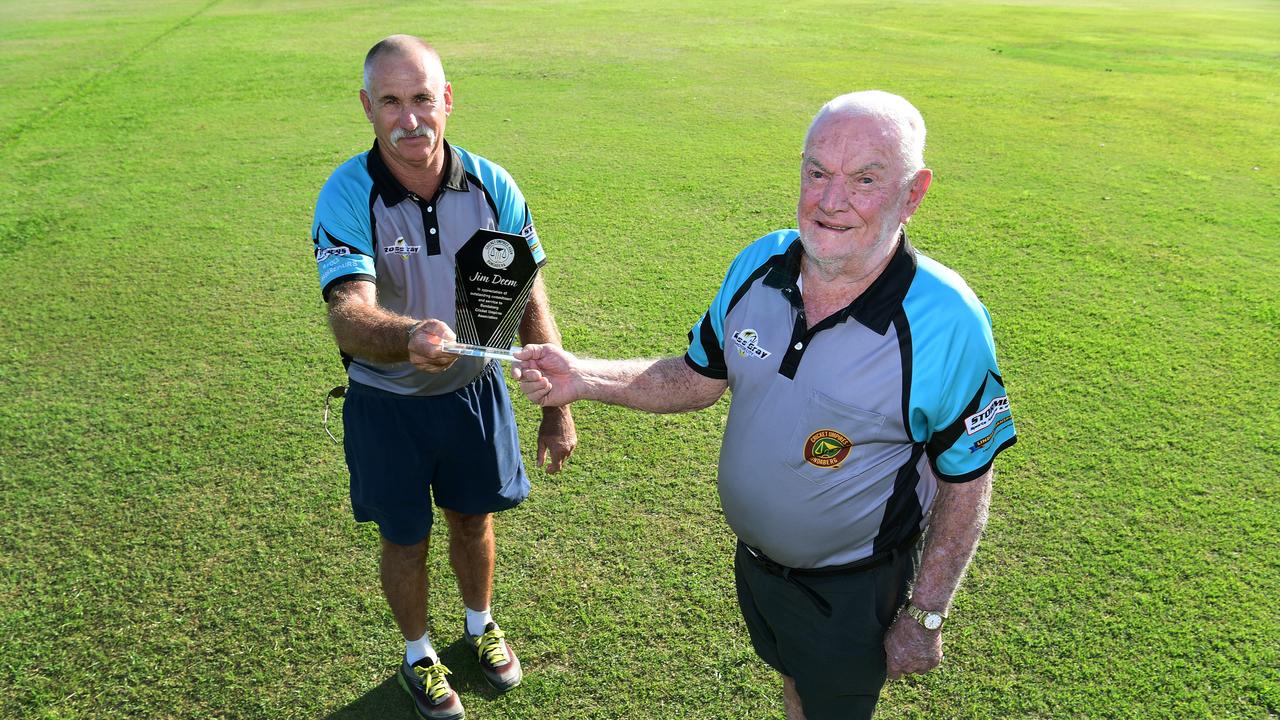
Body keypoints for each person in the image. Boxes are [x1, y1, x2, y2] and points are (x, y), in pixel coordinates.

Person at [512, 91, 1016, 719]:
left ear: (913, 194)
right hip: (757, 569)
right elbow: (697, 377)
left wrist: (927, 611)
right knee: (795, 684)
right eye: (816, 172)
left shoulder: (947, 321)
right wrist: (580, 377)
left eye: (865, 179)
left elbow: (968, 480)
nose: (831, 201)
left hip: (853, 591)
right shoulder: (761, 263)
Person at [310, 35, 576, 720]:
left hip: (470, 396)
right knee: (404, 538)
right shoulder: (348, 193)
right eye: (391, 102)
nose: (410, 120)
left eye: (423, 99)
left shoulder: (494, 187)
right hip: (386, 403)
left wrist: (556, 406)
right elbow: (348, 313)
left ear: (447, 100)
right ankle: (418, 654)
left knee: (472, 519)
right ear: (368, 107)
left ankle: (481, 624)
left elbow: (525, 296)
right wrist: (410, 336)